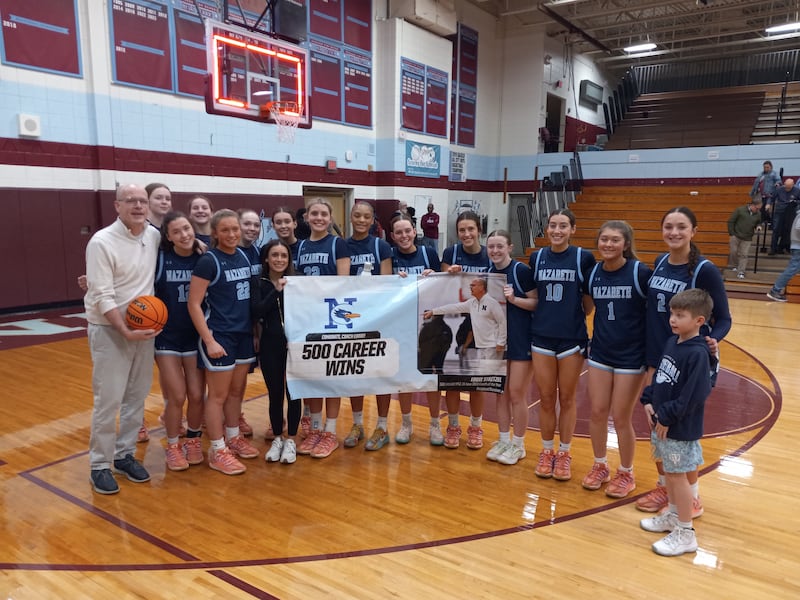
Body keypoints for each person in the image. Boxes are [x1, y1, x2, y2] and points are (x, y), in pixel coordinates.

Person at [638, 206, 731, 515]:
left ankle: (691, 498)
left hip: (685, 361)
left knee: (678, 429)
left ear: (694, 231)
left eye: (681, 227)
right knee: (657, 428)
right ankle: (667, 488)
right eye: (668, 227)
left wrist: (710, 341)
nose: (674, 233)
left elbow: (724, 319)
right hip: (658, 355)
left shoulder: (704, 270)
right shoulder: (660, 261)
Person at [84, 183, 161, 495]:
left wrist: (197, 244)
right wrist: (124, 330)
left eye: (142, 201)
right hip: (109, 331)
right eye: (130, 201)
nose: (138, 206)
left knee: (137, 396)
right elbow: (101, 293)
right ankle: (99, 464)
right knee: (109, 399)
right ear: (117, 206)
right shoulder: (101, 242)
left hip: (144, 330)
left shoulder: (153, 235)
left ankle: (124, 455)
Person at [639, 289, 716, 557]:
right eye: (672, 313)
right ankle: (673, 516)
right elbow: (660, 377)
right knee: (669, 476)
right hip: (662, 423)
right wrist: (648, 400)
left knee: (677, 476)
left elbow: (695, 394)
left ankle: (685, 533)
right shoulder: (674, 342)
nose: (673, 319)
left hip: (678, 428)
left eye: (680, 315)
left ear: (699, 320)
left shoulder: (697, 354)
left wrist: (667, 415)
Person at [188, 209, 260, 475]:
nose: (232, 234)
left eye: (235, 229)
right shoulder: (209, 261)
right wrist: (209, 340)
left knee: (236, 392)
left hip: (242, 334)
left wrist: (253, 333)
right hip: (220, 335)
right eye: (226, 230)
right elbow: (194, 304)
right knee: (217, 396)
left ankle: (233, 438)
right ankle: (217, 449)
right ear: (215, 233)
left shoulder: (242, 255)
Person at [582, 221, 651, 497]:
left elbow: (654, 315)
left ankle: (626, 471)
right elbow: (587, 307)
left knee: (621, 417)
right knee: (597, 412)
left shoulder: (639, 273)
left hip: (631, 356)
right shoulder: (594, 272)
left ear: (626, 244)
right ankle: (600, 465)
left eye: (614, 240)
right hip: (600, 351)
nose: (608, 245)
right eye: (604, 240)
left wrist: (651, 357)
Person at [529, 208, 595, 481]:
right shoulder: (537, 257)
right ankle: (547, 451)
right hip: (542, 336)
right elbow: (532, 295)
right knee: (546, 398)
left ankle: (565, 453)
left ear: (573, 229)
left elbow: (589, 303)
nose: (557, 230)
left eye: (563, 226)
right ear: (547, 229)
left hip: (571, 338)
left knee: (567, 399)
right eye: (553, 225)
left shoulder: (583, 257)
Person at [295, 199, 351, 458]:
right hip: (306, 321)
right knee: (312, 378)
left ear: (330, 218)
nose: (318, 217)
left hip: (330, 320)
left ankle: (330, 432)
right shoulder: (301, 246)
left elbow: (343, 285)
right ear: (307, 217)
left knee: (330, 378)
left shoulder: (338, 244)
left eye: (323, 214)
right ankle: (315, 429)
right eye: (314, 213)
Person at [154, 211, 206, 471]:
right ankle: (173, 446)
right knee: (176, 395)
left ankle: (193, 441)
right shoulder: (160, 259)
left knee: (197, 395)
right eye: (177, 232)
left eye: (187, 228)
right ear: (168, 236)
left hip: (195, 337)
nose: (184, 235)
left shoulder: (203, 258)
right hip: (167, 338)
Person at [342, 202, 397, 451]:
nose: (361, 220)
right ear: (351, 217)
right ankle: (357, 424)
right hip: (352, 319)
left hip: (378, 318)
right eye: (357, 216)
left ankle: (382, 426)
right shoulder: (342, 245)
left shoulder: (381, 246)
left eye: (366, 216)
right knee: (356, 373)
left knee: (380, 375)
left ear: (373, 220)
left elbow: (386, 285)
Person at [391, 214, 448, 445]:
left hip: (428, 323)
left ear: (415, 231)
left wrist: (435, 276)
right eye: (399, 232)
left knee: (432, 376)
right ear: (393, 236)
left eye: (408, 231)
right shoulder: (390, 257)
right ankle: (406, 424)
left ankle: (435, 425)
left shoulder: (429, 254)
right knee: (404, 378)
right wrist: (393, 280)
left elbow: (444, 287)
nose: (404, 235)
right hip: (401, 324)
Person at [440, 211, 492, 450]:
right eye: (462, 230)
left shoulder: (490, 254)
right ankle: (452, 425)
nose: (467, 234)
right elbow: (441, 287)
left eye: (471, 229)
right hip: (456, 323)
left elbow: (499, 286)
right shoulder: (450, 253)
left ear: (479, 230)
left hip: (482, 326)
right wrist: (450, 275)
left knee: (476, 382)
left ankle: (476, 426)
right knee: (452, 381)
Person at [485, 230, 536, 466]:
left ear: (510, 247)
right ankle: (504, 440)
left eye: (499, 246)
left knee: (516, 393)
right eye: (491, 246)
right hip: (498, 342)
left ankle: (519, 444)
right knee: (500, 393)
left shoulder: (521, 271)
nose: (495, 251)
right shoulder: (487, 274)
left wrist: (515, 300)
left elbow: (536, 304)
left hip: (521, 340)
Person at [251, 239, 300, 464]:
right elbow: (256, 311)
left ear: (289, 259)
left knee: (294, 393)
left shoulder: (298, 281)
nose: (279, 259)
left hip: (294, 345)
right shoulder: (258, 283)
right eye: (275, 255)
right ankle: (278, 437)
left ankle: (291, 439)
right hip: (270, 344)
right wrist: (275, 291)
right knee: (275, 393)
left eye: (283, 255)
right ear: (267, 259)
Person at [423, 277, 506, 364]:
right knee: (482, 374)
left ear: (481, 287)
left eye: (473, 285)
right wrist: (433, 311)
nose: (470, 287)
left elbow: (502, 322)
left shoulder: (492, 303)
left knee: (491, 373)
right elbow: (453, 308)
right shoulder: (471, 303)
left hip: (493, 345)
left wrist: (501, 342)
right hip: (480, 346)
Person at [766, 209, 800, 302]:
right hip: (798, 247)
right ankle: (775, 290)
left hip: (797, 246)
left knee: (792, 269)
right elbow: (798, 228)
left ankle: (775, 290)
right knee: (791, 269)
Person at [727, 197, 762, 279]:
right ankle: (735, 265)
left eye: (759, 209)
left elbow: (758, 222)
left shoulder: (758, 214)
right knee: (733, 251)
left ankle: (741, 271)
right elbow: (731, 221)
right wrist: (732, 233)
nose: (758, 210)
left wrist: (758, 226)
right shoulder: (740, 210)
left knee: (744, 254)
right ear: (752, 205)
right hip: (736, 235)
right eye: (757, 208)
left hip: (747, 237)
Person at [767, 178, 800, 256]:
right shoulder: (779, 189)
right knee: (776, 229)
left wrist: (795, 202)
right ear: (784, 184)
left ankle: (784, 247)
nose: (787, 189)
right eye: (786, 186)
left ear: (793, 185)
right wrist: (768, 204)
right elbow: (771, 197)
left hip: (791, 211)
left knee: (788, 229)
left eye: (789, 187)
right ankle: (773, 248)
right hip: (779, 211)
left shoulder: (797, 190)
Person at [750, 160, 780, 227]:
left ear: (771, 167)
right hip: (760, 194)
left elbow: (779, 180)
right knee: (760, 209)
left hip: (769, 194)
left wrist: (777, 184)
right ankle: (762, 222)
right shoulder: (760, 174)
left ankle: (769, 221)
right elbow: (755, 184)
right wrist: (752, 193)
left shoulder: (774, 173)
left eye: (767, 167)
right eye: (764, 167)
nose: (766, 168)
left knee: (766, 208)